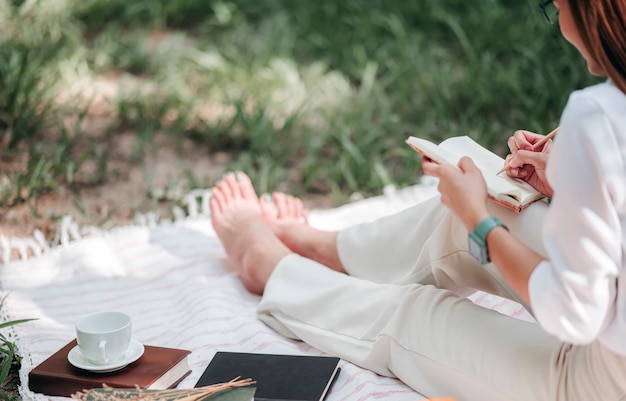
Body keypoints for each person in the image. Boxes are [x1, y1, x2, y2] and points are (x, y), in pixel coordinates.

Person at [208, 0, 626, 400]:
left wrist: (479, 220)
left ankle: (270, 265)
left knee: (413, 317)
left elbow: (577, 313)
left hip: (604, 382)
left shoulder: (599, 115)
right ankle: (327, 251)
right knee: (482, 211)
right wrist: (576, 185)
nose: (560, 21)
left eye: (556, 6)